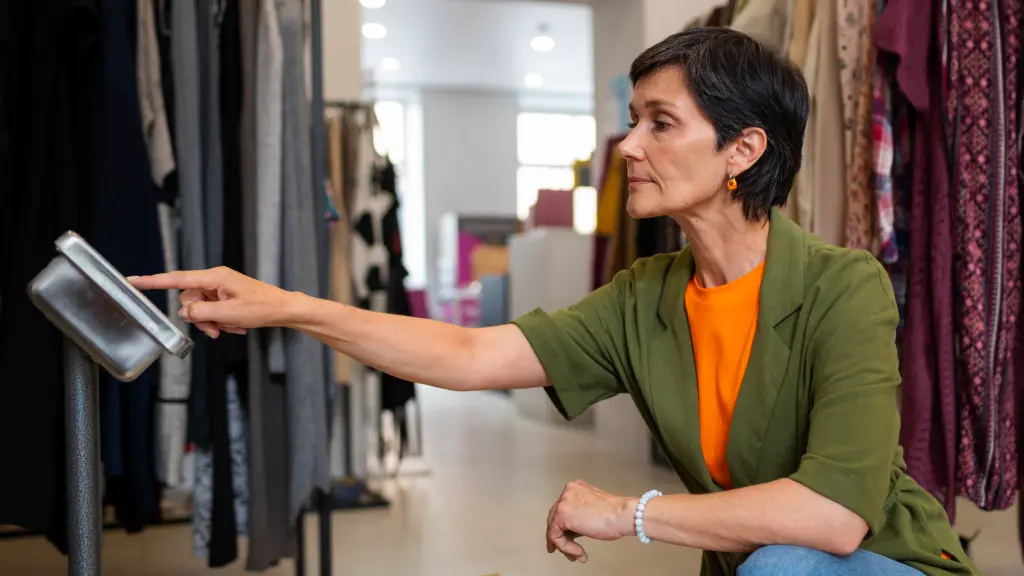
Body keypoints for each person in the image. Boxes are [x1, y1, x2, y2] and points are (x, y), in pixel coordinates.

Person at [130, 28, 976, 576]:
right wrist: (288, 307)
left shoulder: (842, 286)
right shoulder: (646, 296)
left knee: (782, 564)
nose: (628, 146)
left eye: (660, 123)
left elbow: (832, 516)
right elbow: (468, 355)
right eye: (633, 121)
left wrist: (630, 513)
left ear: (742, 150)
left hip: (880, 560)